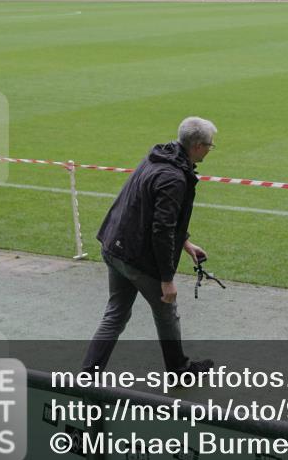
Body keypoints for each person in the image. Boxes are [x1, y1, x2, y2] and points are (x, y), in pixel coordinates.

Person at [81, 116, 217, 375]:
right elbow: (161, 229)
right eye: (210, 145)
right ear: (198, 146)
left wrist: (185, 242)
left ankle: (88, 375)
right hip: (135, 256)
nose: (210, 150)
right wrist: (166, 279)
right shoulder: (175, 178)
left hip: (114, 246)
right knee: (166, 311)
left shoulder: (158, 157)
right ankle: (179, 370)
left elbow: (150, 210)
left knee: (115, 314)